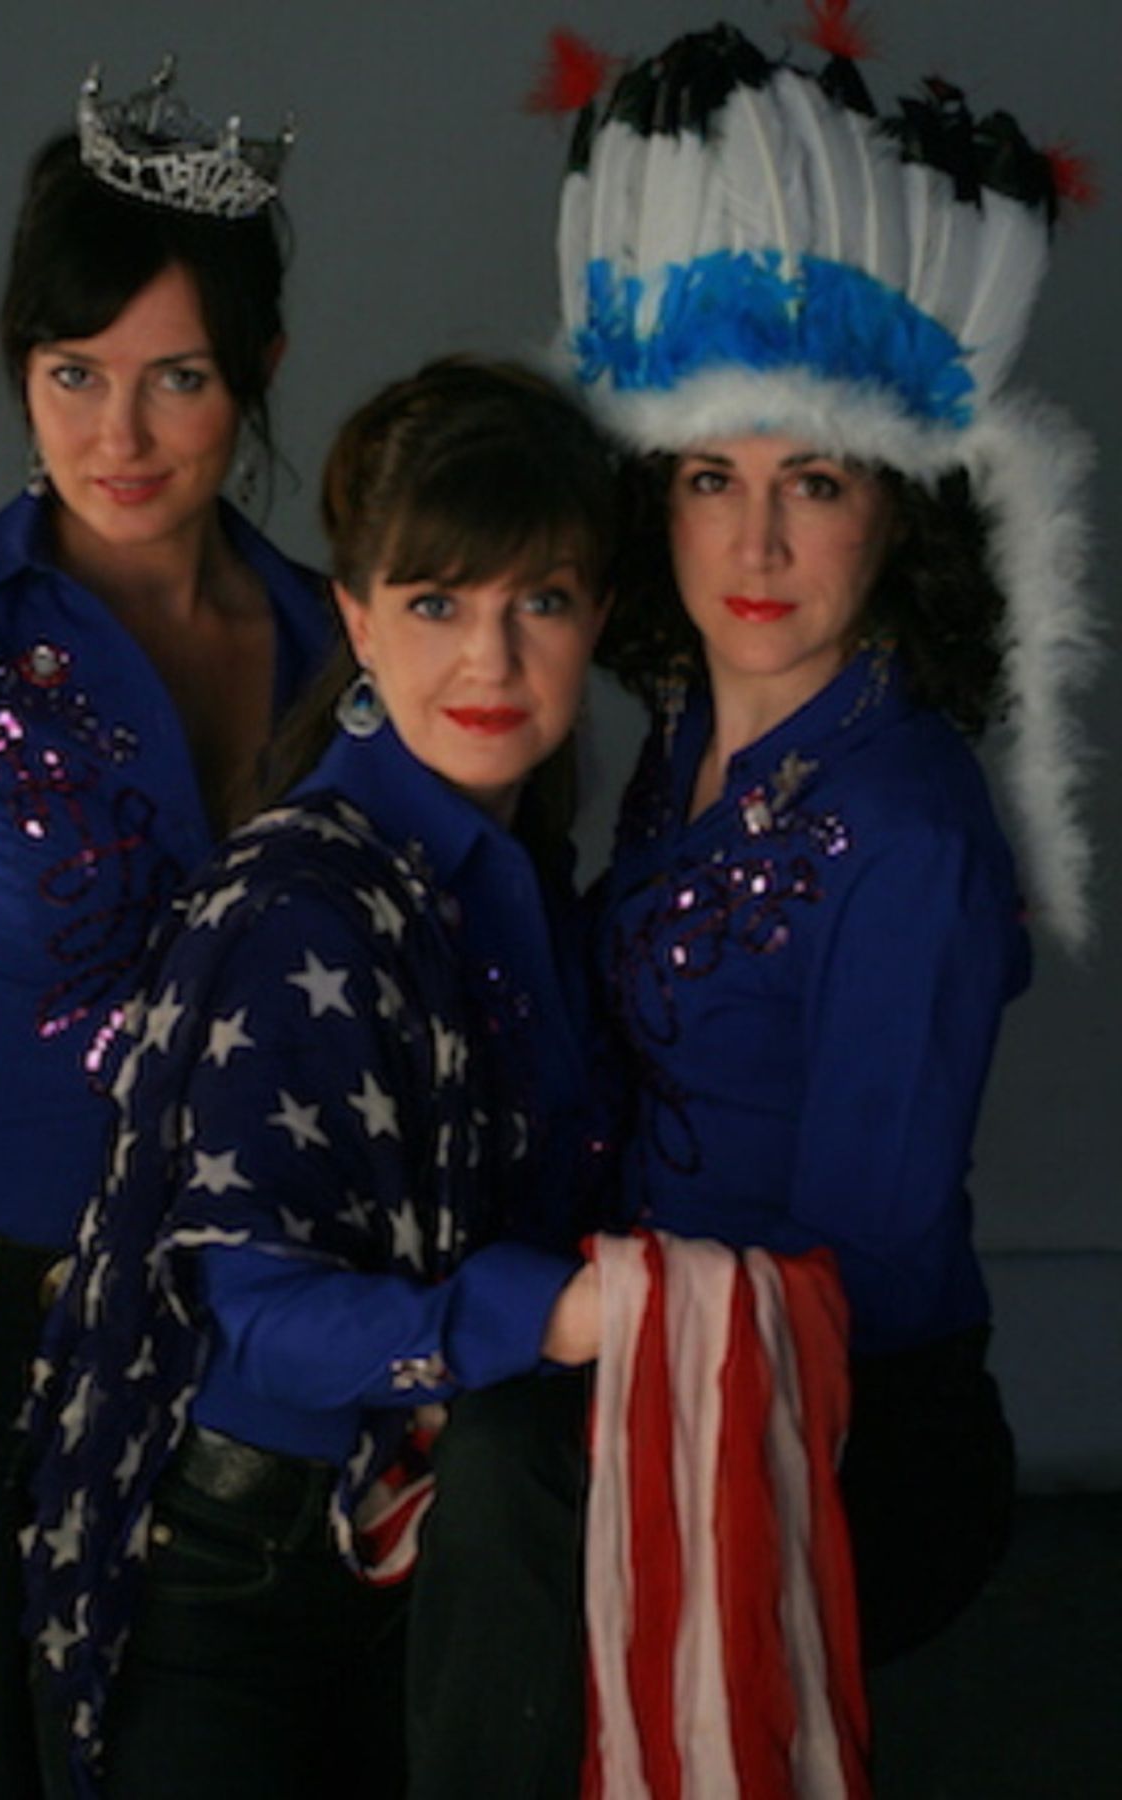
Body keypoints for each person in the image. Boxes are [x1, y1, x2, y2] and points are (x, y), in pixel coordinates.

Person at [408, 10, 1098, 1795]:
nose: (759, 544)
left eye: (816, 483)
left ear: (897, 515)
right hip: (650, 1339)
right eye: (715, 479)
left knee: (502, 1467)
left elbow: (853, 1261)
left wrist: (579, 1339)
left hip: (842, 1408)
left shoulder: (908, 826)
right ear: (661, 500)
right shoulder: (684, 740)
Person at [21, 355, 617, 1800]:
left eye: (539, 602)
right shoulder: (304, 899)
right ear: (354, 617)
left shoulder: (520, 880)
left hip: (416, 1562)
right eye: (436, 604)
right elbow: (261, 1318)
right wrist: (555, 1314)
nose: (491, 662)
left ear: (597, 617)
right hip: (237, 1587)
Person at [0, 58, 329, 1800]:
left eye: (180, 377)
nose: (121, 436)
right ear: (21, 369)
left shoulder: (352, 653)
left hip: (235, 1349)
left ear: (258, 376)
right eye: (75, 372)